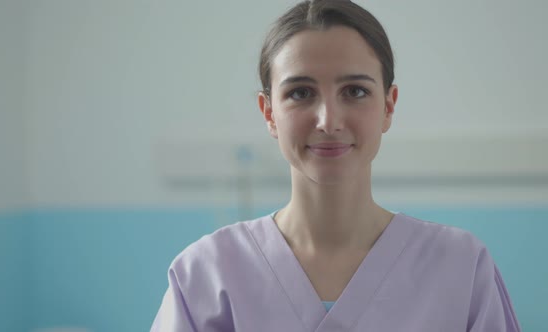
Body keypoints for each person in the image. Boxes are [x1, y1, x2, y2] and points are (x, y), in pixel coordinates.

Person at [151, 0, 521, 330]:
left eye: (355, 91)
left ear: (388, 106)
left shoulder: (461, 270)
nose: (328, 121)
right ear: (269, 113)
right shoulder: (206, 276)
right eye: (300, 93)